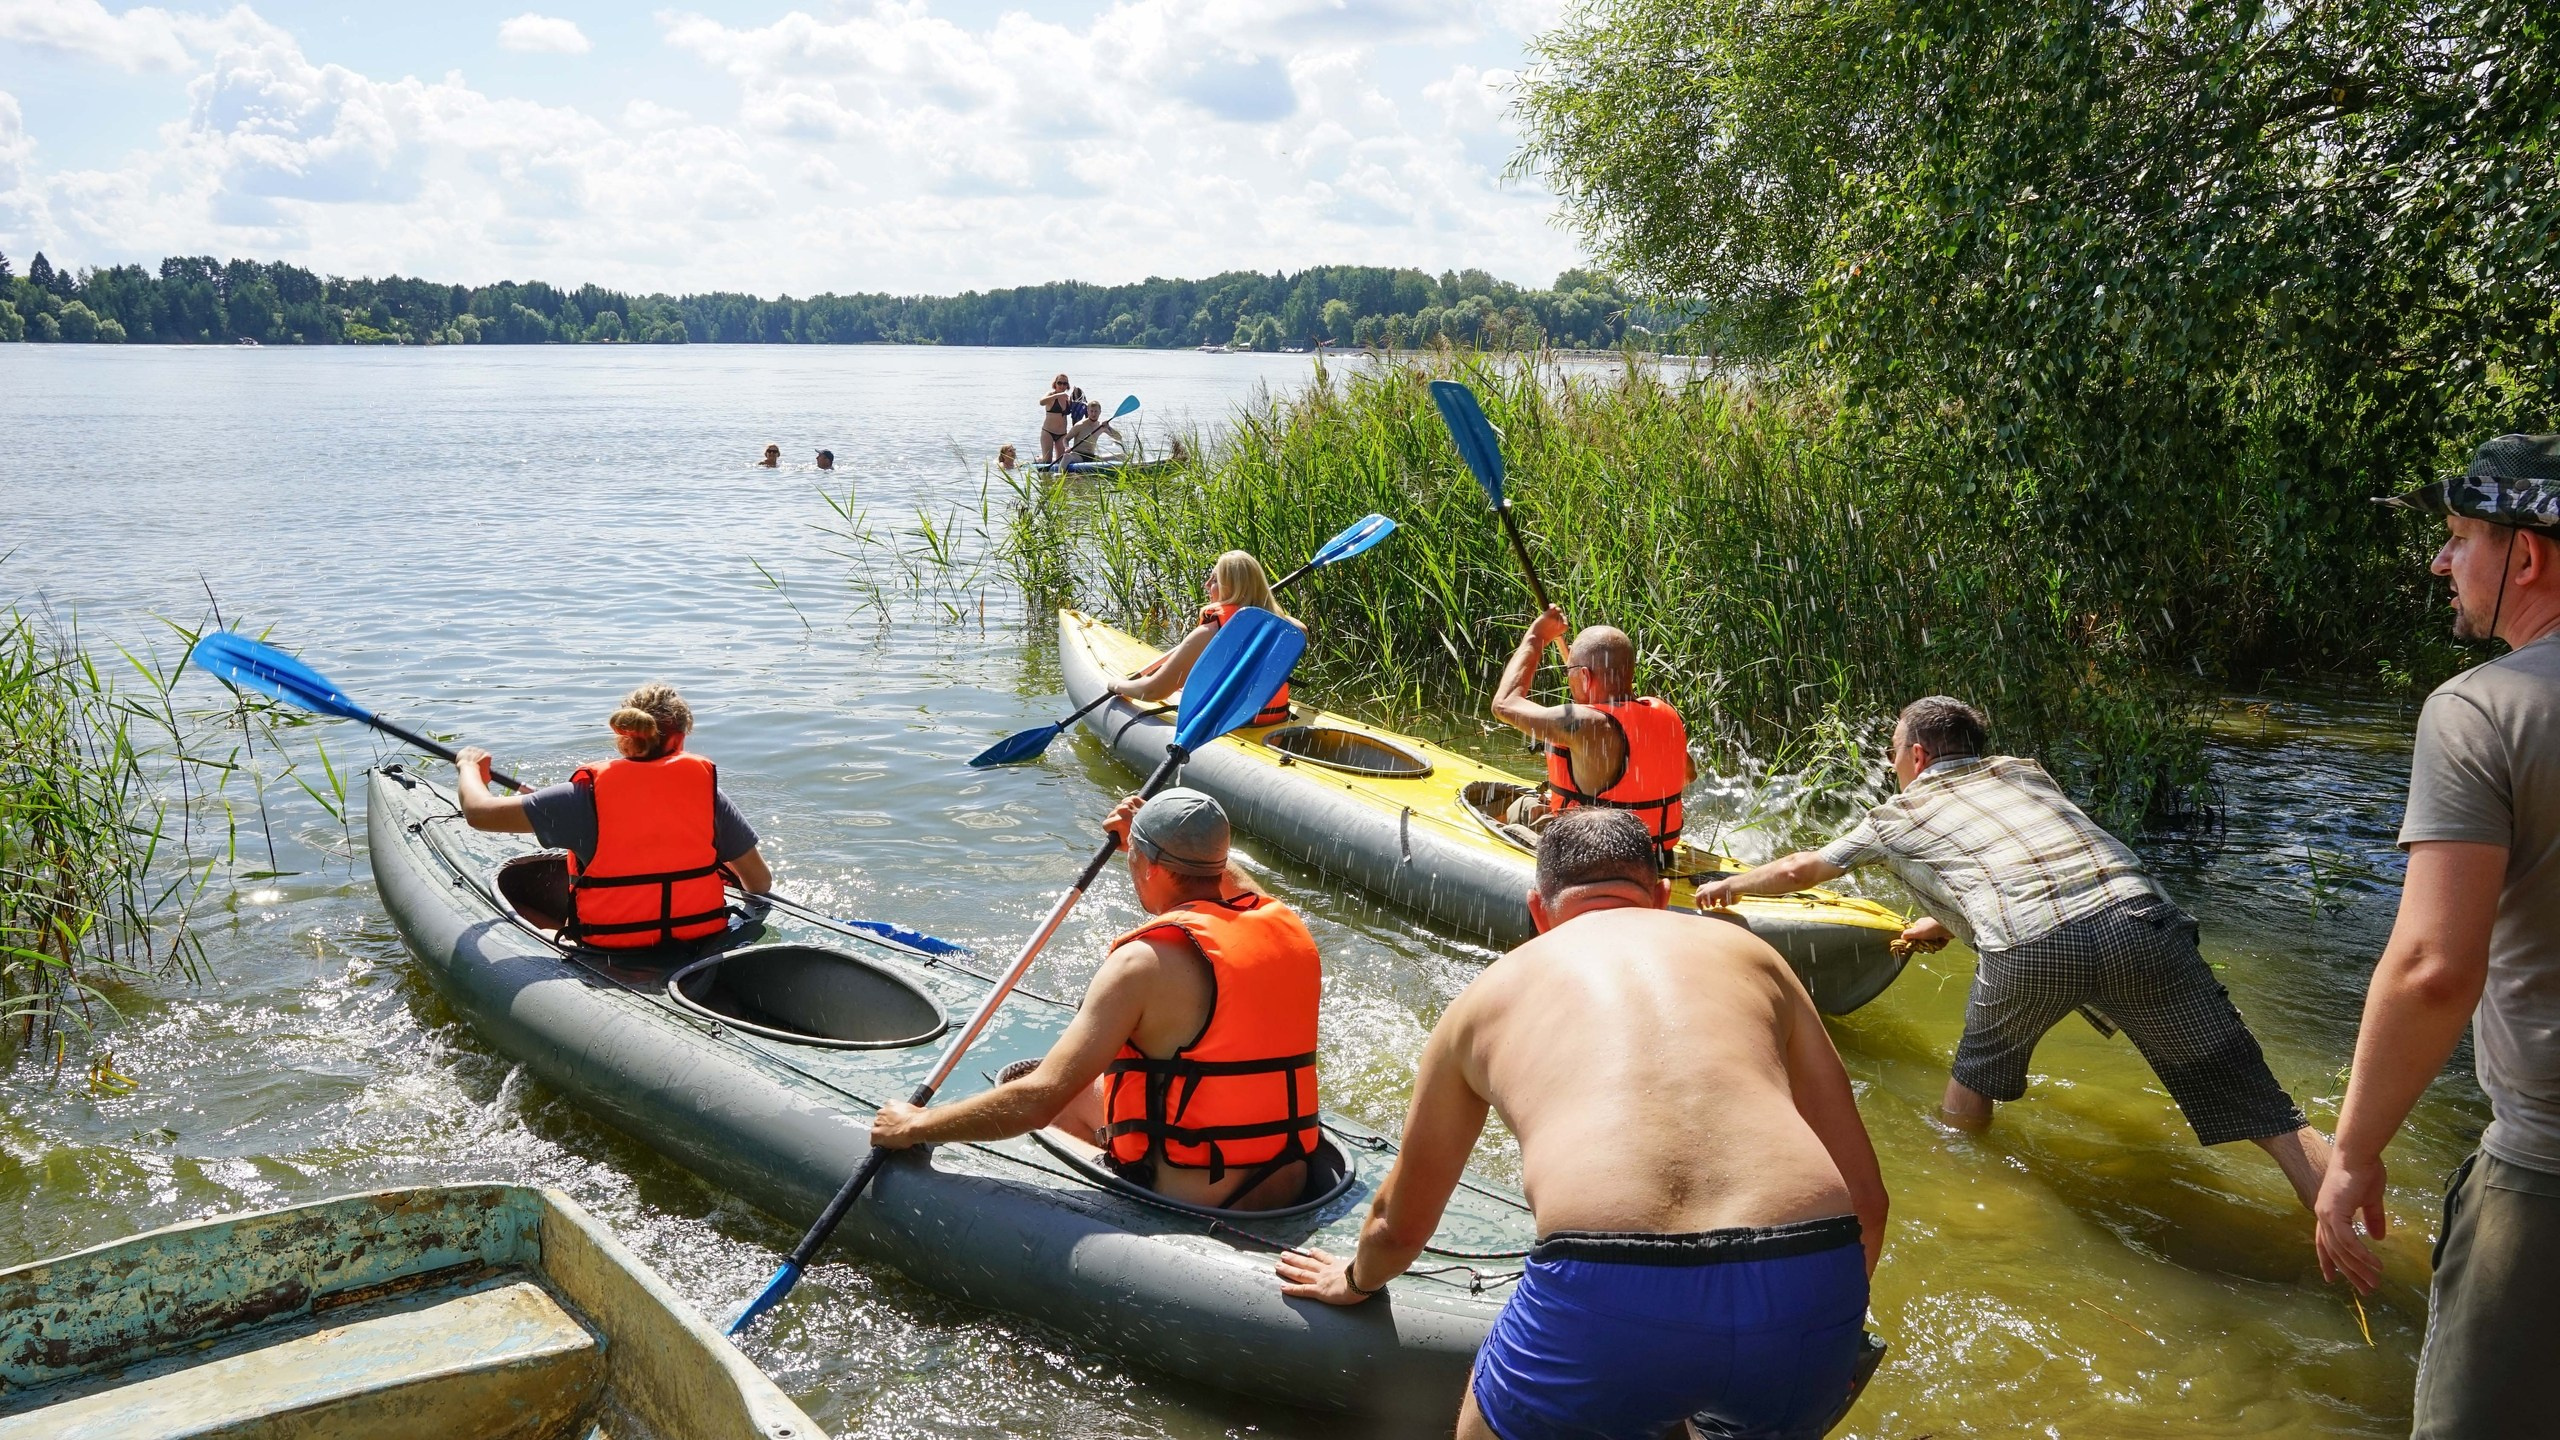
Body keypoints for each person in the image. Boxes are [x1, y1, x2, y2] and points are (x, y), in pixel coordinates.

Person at [1277, 809, 1886, 1440]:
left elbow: (1398, 1227)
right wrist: (1827, 1325)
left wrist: (1353, 1279)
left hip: (1607, 1284)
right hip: (1809, 1273)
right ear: (1658, 897)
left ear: (1537, 911)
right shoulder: (1755, 957)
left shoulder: (1482, 1002)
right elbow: (1868, 1202)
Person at [1699, 695, 2330, 1208]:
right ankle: (2355, 1229)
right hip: (2143, 918)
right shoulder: (2023, 772)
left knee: (1967, 1094)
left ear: (1915, 756)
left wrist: (1731, 885)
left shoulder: (1899, 813)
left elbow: (1801, 868)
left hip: (2033, 947)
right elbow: (2026, 861)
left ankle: (1967, 1201)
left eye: (1894, 754)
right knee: (2267, 1111)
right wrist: (1940, 922)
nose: (1894, 767)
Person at [2315, 434, 2560, 1433]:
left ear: (2528, 557)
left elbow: (2428, 969)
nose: (2439, 561)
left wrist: (2351, 1157)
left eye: (2458, 538)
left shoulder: (2485, 710)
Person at [870, 789, 1324, 1211]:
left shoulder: (1140, 964)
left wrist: (911, 1126)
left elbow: (1037, 1103)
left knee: (1032, 1086)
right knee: (1071, 1083)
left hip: (1199, 1199)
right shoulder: (1284, 924)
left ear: (1146, 865)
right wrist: (1155, 834)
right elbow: (1222, 875)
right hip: (1286, 1174)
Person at [455, 683, 772, 949]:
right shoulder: (707, 795)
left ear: (624, 736)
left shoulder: (578, 798)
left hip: (609, 949)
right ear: (681, 737)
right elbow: (759, 883)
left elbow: (479, 813)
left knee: (530, 913)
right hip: (699, 938)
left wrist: (468, 767)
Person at [1490, 604, 1695, 864]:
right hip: (1653, 857)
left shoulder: (1584, 723)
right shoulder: (1665, 716)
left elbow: (1503, 705)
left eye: (1569, 672)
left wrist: (1537, 637)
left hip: (1591, 858)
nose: (1568, 680)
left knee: (1520, 808)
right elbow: (1689, 773)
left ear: (1585, 676)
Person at [1108, 551, 1301, 726]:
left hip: (1229, 725)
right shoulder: (1287, 630)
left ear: (1234, 589)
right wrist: (1266, 608)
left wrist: (1118, 685)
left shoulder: (1208, 634)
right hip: (1273, 719)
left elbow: (1153, 692)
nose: (1207, 585)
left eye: (1214, 580)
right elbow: (1301, 626)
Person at [1038, 374, 1073, 465]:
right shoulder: (1051, 394)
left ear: (1067, 385)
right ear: (1055, 384)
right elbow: (1041, 402)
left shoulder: (1068, 399)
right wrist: (1058, 395)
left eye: (1065, 383)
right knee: (1047, 462)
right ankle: (1040, 461)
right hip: (1048, 432)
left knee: (1060, 463)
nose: (1062, 386)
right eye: (1059, 383)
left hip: (1062, 434)